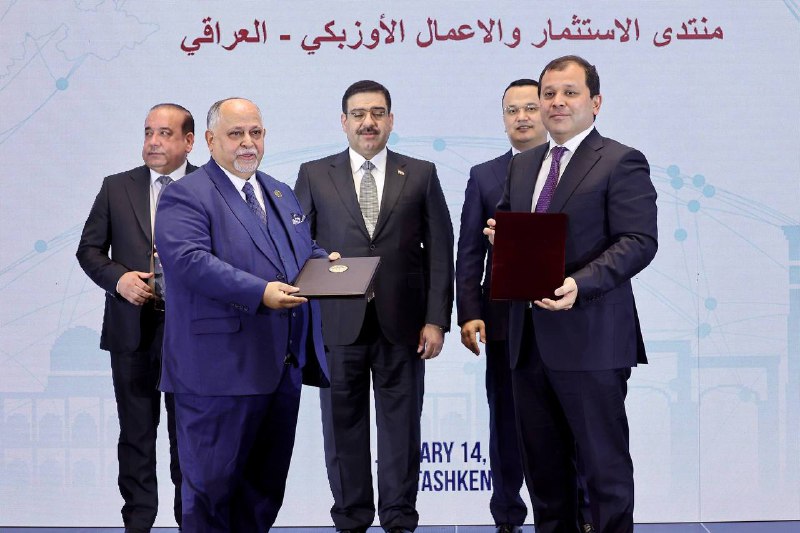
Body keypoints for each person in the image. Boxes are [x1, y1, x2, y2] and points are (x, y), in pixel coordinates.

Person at [486, 56, 658, 533]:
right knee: (545, 478)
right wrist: (501, 237)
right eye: (549, 94)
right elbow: (509, 223)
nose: (557, 102)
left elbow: (638, 241)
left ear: (595, 102)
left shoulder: (621, 161)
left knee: (603, 473)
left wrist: (580, 284)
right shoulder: (524, 166)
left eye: (569, 92)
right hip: (528, 344)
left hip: (592, 340)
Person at [154, 97, 336, 532]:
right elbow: (190, 262)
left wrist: (333, 268)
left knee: (263, 494)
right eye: (236, 134)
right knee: (210, 494)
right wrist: (260, 293)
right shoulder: (184, 195)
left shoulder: (279, 191)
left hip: (280, 370)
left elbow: (302, 251)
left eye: (255, 132)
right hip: (215, 375)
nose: (248, 143)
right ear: (211, 140)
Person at [294, 80, 454, 533]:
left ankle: (399, 519)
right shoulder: (314, 174)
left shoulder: (420, 173)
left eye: (378, 113)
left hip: (403, 326)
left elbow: (440, 251)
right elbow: (296, 246)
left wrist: (436, 320)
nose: (369, 122)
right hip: (335, 324)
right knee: (341, 427)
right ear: (343, 122)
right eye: (359, 114)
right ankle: (351, 518)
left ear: (391, 120)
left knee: (401, 429)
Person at [76, 103, 195, 532]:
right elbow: (89, 250)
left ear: (189, 141)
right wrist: (119, 279)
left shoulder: (210, 186)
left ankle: (191, 520)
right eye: (148, 132)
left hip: (193, 335)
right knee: (136, 435)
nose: (153, 142)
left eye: (164, 133)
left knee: (190, 437)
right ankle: (138, 522)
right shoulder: (116, 187)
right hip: (132, 330)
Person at [456, 78, 546, 533]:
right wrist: (469, 311)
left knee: (568, 423)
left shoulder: (574, 170)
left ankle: (579, 514)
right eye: (513, 110)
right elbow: (470, 253)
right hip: (505, 320)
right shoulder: (485, 175)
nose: (522, 117)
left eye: (531, 107)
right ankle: (507, 516)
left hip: (566, 317)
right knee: (506, 422)